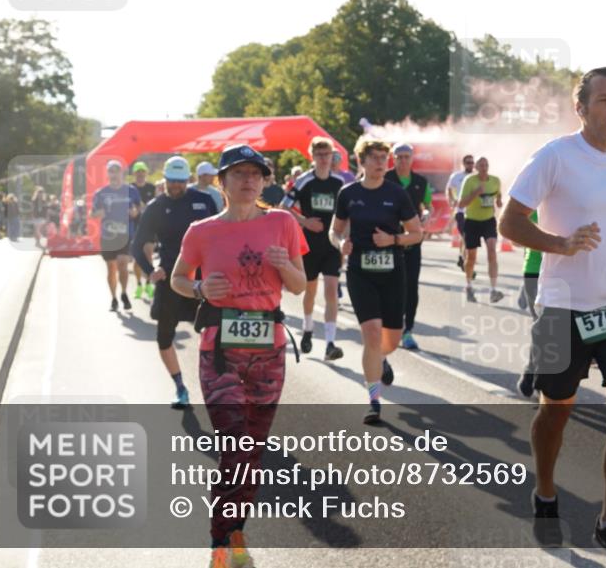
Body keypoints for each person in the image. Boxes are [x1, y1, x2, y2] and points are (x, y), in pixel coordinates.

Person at [500, 66, 606, 567]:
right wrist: (560, 244)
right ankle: (546, 491)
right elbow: (511, 222)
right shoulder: (553, 156)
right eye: (604, 100)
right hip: (560, 306)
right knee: (556, 410)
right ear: (581, 108)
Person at [170, 144, 307, 568]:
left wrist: (286, 265)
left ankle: (235, 533)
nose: (248, 181)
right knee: (234, 447)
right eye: (239, 174)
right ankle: (219, 543)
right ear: (222, 182)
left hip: (269, 351)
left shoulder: (282, 222)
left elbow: (300, 286)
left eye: (256, 174)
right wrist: (197, 289)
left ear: (265, 181)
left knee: (253, 452)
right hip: (221, 353)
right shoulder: (202, 231)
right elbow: (177, 278)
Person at [329, 139, 423, 425]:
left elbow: (416, 233)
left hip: (393, 273)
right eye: (375, 158)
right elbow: (334, 232)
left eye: (385, 158)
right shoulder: (348, 193)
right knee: (371, 333)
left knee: (390, 341)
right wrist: (340, 243)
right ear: (362, 161)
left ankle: (381, 358)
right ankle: (374, 400)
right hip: (360, 273)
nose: (382, 163)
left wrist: (393, 239)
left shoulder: (397, 194)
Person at [131, 156, 218, 409]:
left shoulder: (202, 201)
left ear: (188, 179)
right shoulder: (156, 206)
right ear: (165, 180)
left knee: (213, 332)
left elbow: (221, 234)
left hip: (202, 277)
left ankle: (217, 386)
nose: (177, 186)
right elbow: (138, 244)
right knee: (164, 337)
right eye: (172, 181)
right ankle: (180, 387)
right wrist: (150, 269)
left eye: (181, 181)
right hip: (170, 278)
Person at [282, 137, 345, 361]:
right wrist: (305, 222)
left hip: (331, 245)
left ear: (332, 156)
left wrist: (345, 237)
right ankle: (308, 328)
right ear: (312, 157)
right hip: (308, 245)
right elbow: (284, 207)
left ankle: (330, 343)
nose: (323, 159)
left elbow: (346, 214)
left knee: (331, 291)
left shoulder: (339, 183)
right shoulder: (304, 181)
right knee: (310, 292)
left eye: (326, 154)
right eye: (318, 155)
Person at [384, 142, 433, 350]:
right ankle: (387, 327)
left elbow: (427, 207)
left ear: (412, 159)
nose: (403, 160)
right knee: (389, 285)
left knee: (411, 285)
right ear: (393, 158)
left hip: (412, 242)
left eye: (406, 156)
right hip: (388, 241)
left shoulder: (421, 182)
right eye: (399, 156)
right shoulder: (385, 178)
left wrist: (426, 218)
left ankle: (408, 330)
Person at [91, 160, 142, 312]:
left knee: (122, 264)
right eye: (111, 171)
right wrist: (97, 214)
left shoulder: (131, 190)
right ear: (108, 174)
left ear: (122, 173)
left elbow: (139, 207)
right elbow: (93, 213)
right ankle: (113, 298)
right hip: (108, 236)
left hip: (125, 234)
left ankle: (124, 293)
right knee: (111, 268)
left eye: (117, 171)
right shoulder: (100, 193)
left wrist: (135, 212)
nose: (114, 174)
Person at [459, 156, 504, 303]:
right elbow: (461, 203)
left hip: (488, 221)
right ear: (476, 168)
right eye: (481, 165)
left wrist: (499, 201)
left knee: (492, 250)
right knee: (471, 257)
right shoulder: (470, 181)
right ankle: (469, 286)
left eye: (486, 165)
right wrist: (475, 193)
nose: (484, 167)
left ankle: (493, 290)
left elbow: (498, 195)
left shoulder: (495, 181)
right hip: (472, 221)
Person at [515, 210, 542, 398]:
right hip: (535, 271)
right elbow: (516, 236)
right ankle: (539, 377)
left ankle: (531, 370)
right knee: (544, 326)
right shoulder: (533, 205)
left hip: (567, 273)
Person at [130, 161, 157, 300]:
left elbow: (156, 205)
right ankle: (139, 285)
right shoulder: (130, 188)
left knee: (148, 255)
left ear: (146, 173)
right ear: (134, 174)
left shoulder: (152, 188)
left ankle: (148, 284)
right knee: (137, 260)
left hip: (150, 227)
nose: (140, 174)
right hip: (135, 227)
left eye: (142, 172)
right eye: (137, 172)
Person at [446, 154, 475, 270]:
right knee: (465, 236)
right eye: (468, 162)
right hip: (461, 211)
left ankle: (461, 257)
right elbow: (449, 189)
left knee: (468, 238)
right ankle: (465, 261)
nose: (470, 165)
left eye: (472, 162)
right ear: (463, 164)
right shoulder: (456, 176)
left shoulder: (476, 177)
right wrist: (452, 200)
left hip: (474, 212)